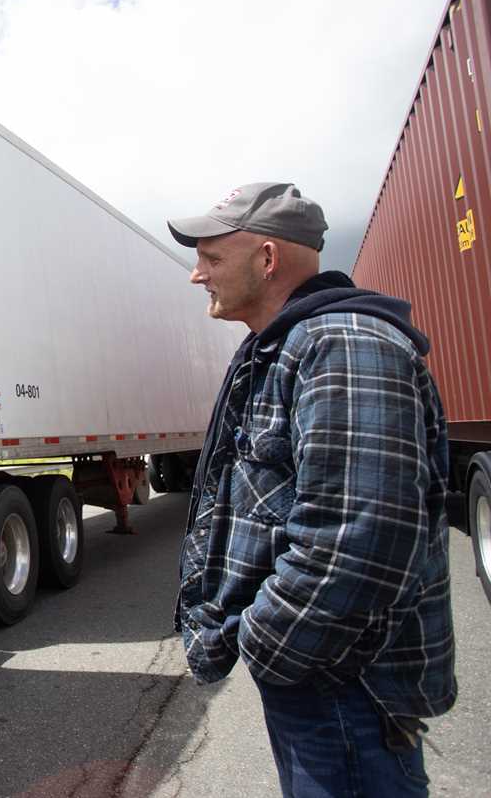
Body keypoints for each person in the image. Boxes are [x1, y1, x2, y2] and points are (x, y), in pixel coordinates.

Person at [167, 182, 457, 797]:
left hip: (342, 684)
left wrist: (267, 644)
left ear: (268, 259)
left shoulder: (343, 345)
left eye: (212, 258)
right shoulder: (291, 344)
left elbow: (358, 542)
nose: (197, 275)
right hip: (323, 676)